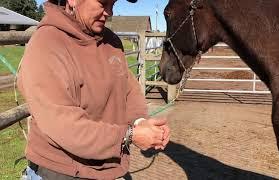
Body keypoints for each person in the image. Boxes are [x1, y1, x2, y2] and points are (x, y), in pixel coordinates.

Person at [17, 0, 170, 179]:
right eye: (103, 3)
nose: (109, 12)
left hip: (109, 168)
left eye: (113, 4)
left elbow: (128, 90)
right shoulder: (47, 44)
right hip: (62, 171)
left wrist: (139, 121)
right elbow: (64, 125)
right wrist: (127, 136)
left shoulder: (111, 42)